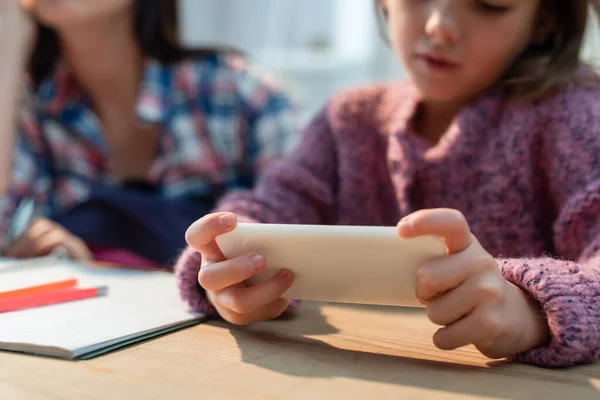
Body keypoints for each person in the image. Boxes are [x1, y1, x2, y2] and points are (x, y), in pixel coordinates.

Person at [176, 0, 600, 368]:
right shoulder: (351, 118)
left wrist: (531, 311)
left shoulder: (579, 118)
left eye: (490, 3)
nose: (440, 26)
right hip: (343, 371)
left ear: (545, 18)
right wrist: (224, 264)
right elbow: (274, 206)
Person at [0, 0, 296, 267]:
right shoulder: (26, 106)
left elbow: (295, 244)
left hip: (227, 322)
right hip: (98, 319)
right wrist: (6, 45)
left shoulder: (242, 93)